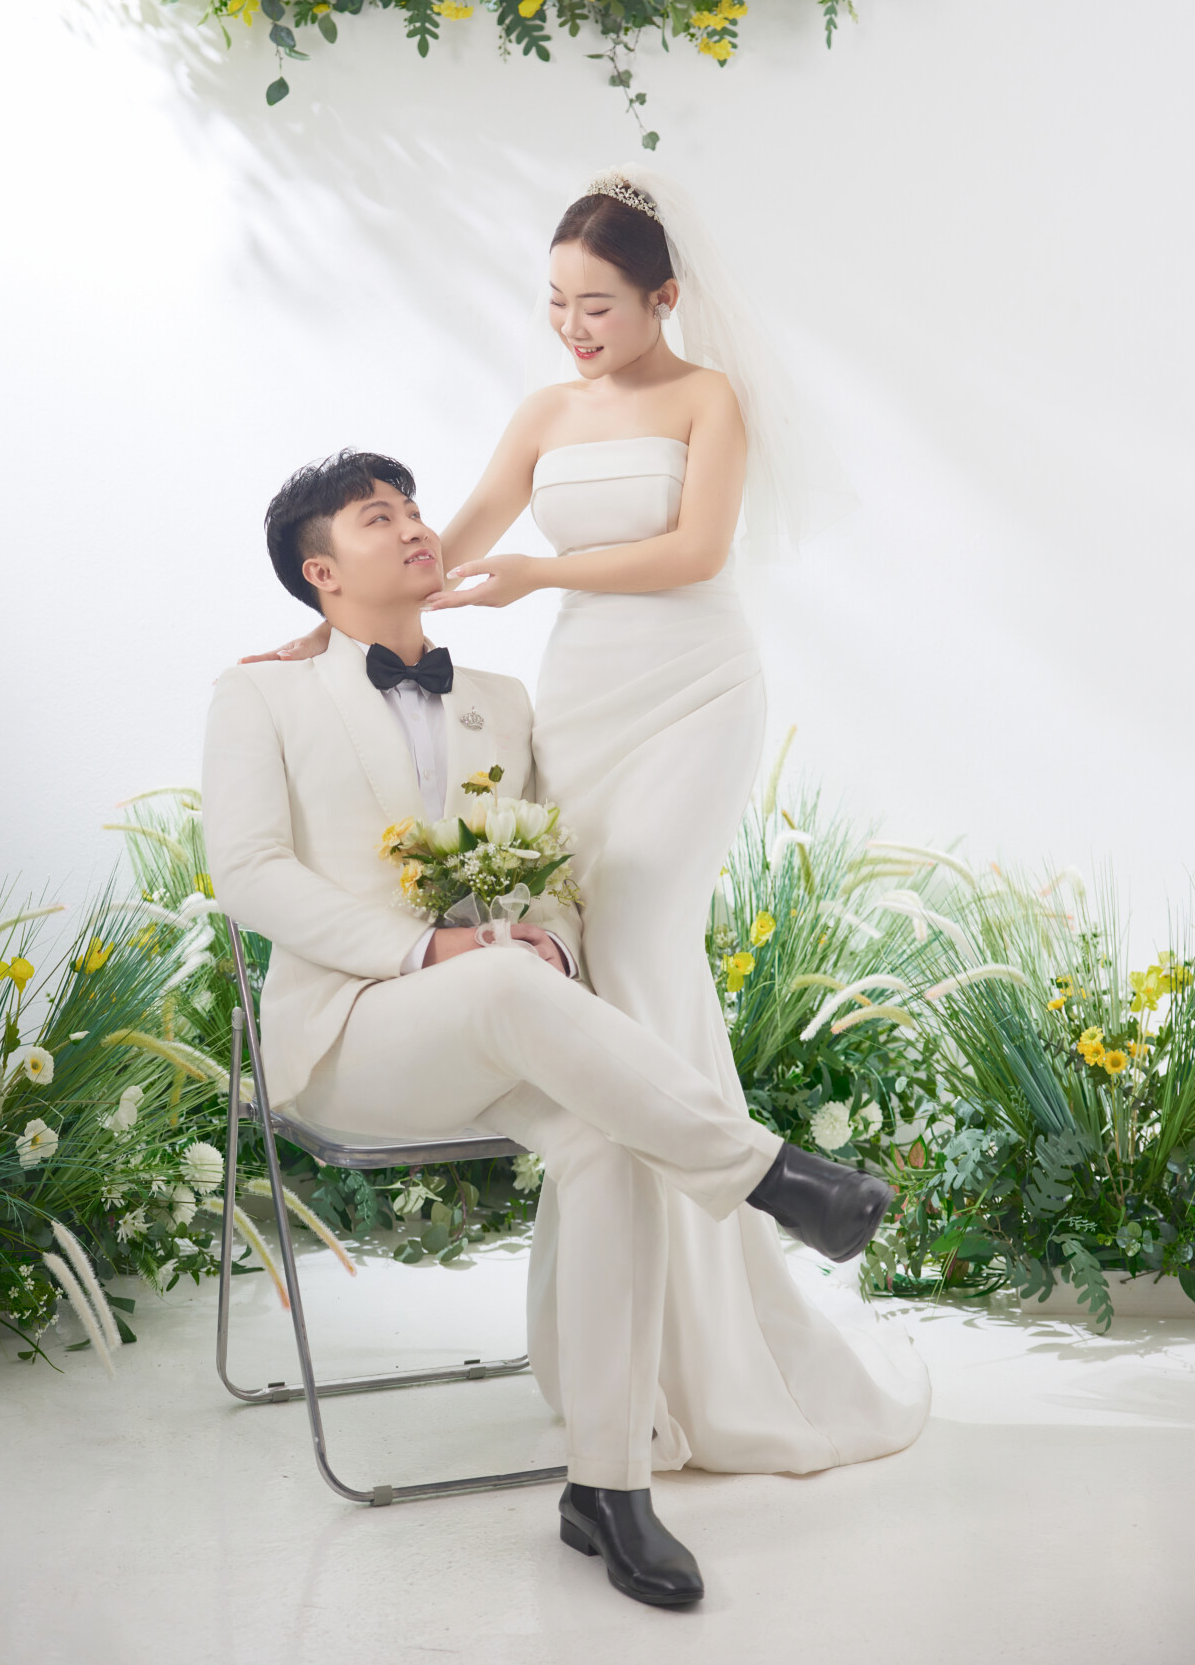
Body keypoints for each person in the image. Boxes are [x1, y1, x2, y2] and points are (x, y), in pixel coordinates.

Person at [244, 165, 930, 1489]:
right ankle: (648, 1327)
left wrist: (543, 573)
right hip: (582, 695)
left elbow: (695, 553)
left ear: (664, 298)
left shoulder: (706, 399)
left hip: (691, 685)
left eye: (597, 305)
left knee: (644, 938)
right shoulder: (544, 412)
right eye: (555, 302)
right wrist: (323, 625)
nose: (571, 328)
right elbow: (449, 542)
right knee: (599, 957)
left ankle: (722, 1333)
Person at [205, 447, 897, 1608]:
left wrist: (552, 947)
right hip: (348, 1039)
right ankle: (771, 1174)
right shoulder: (259, 694)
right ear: (321, 571)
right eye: (378, 517)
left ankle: (608, 1486)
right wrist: (430, 950)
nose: (415, 526)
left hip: (491, 1021)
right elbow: (248, 872)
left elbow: (550, 871)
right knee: (496, 985)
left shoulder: (501, 701)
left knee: (604, 1140)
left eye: (413, 507)